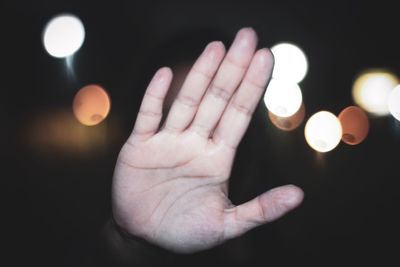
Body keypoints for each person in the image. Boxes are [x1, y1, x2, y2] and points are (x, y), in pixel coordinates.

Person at [102, 27, 304, 266]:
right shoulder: (107, 197)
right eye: (172, 118)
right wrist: (128, 241)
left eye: (211, 116)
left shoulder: (288, 232)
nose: (192, 142)